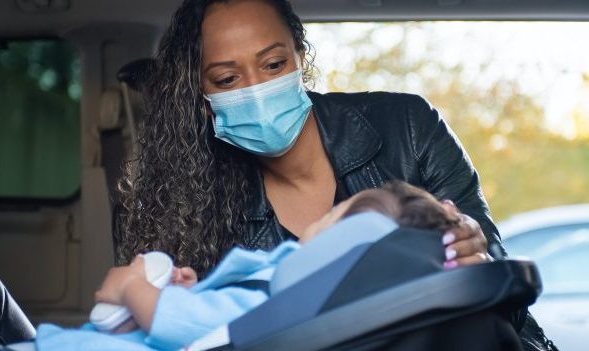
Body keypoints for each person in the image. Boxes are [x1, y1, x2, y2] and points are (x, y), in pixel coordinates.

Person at [112, 0, 556, 350]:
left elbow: (507, 296)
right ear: (203, 97)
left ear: (300, 57)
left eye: (273, 65)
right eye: (227, 79)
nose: (257, 89)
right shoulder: (192, 200)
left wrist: (476, 257)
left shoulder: (409, 125)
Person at [28, 181, 514, 351]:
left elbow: (182, 325)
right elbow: (210, 314)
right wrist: (190, 288)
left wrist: (134, 288)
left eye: (335, 217)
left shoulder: (285, 302)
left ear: (345, 248)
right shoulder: (292, 288)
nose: (325, 216)